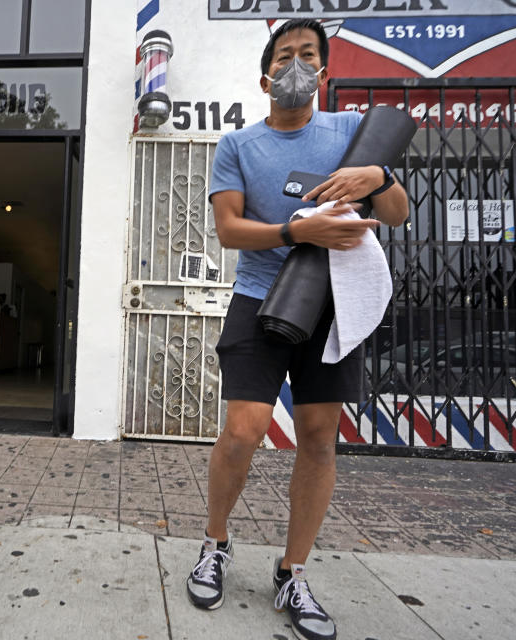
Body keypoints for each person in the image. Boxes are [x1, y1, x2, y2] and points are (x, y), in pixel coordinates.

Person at [185, 18, 409, 640]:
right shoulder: (239, 145)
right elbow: (228, 230)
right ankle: (216, 542)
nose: (296, 65)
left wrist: (380, 178)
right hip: (259, 298)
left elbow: (396, 214)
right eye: (285, 56)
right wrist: (294, 231)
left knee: (317, 434)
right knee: (243, 430)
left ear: (325, 73)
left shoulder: (350, 132)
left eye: (308, 55)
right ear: (265, 77)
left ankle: (293, 569)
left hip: (333, 303)